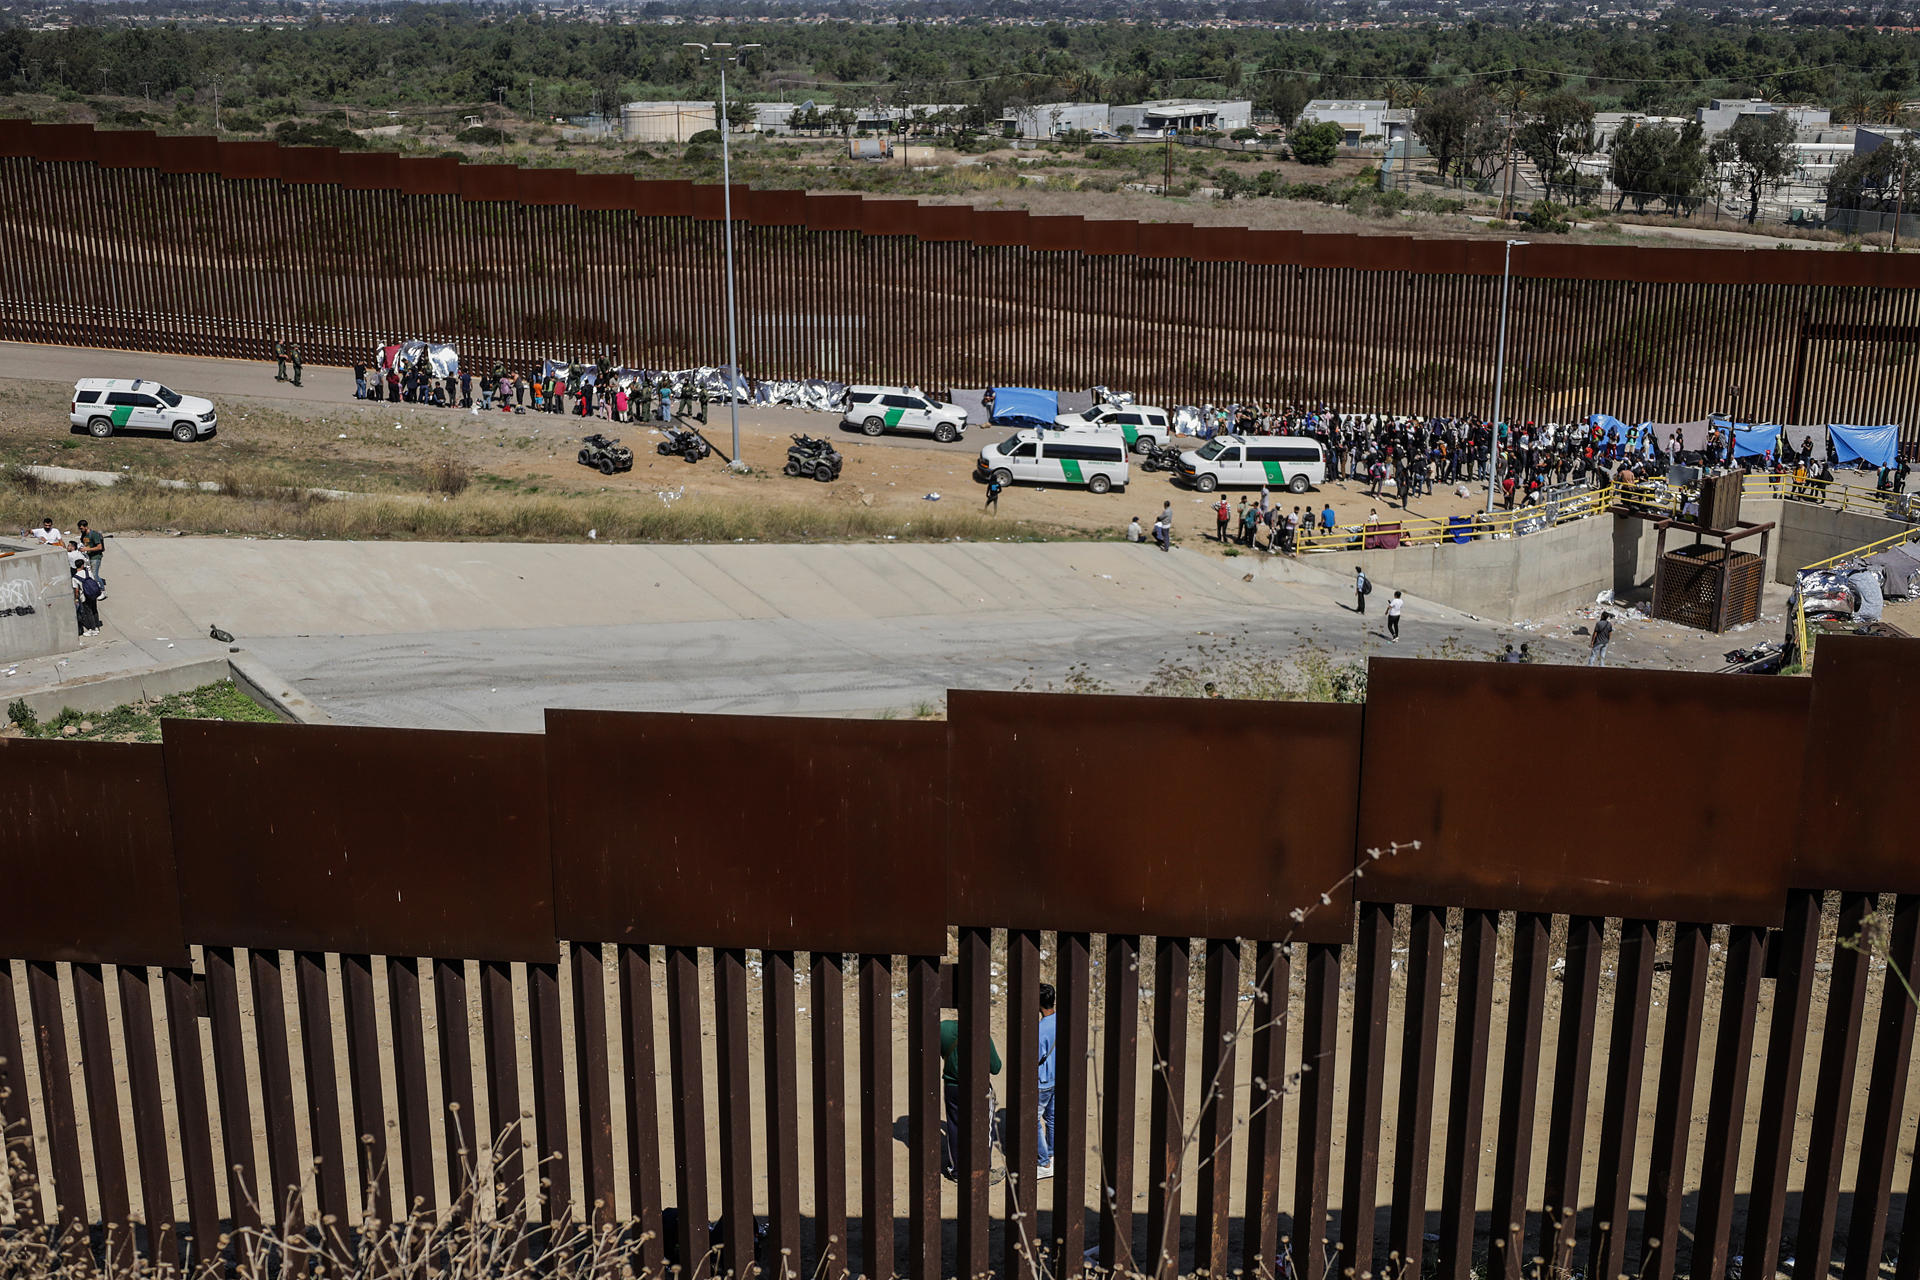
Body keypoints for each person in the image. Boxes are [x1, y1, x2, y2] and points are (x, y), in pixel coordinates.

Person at [939, 1016, 1002, 1181]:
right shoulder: (981, 1033)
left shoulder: (943, 1028)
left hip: (952, 1086)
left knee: (954, 1126)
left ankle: (957, 1171)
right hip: (978, 1088)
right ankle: (983, 1171)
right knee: (984, 1128)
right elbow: (995, 1067)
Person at [1036, 983, 1058, 1179]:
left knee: (1034, 1119)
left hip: (1042, 1081)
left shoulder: (1040, 1029)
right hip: (1058, 1078)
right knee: (1051, 1119)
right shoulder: (1063, 1020)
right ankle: (1052, 1153)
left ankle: (1044, 1163)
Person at [72, 556, 102, 637]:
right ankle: (97, 627)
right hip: (93, 594)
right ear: (82, 565)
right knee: (94, 610)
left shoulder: (75, 578)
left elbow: (76, 590)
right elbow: (93, 581)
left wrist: (76, 599)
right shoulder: (88, 572)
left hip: (84, 597)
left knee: (88, 612)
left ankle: (92, 629)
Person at [76, 519, 104, 592]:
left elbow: (99, 547)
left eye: (81, 528)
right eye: (79, 528)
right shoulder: (83, 534)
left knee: (95, 575)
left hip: (96, 557)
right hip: (88, 557)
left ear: (86, 527)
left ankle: (102, 590)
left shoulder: (94, 534)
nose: (80, 530)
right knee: (90, 574)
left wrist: (87, 549)